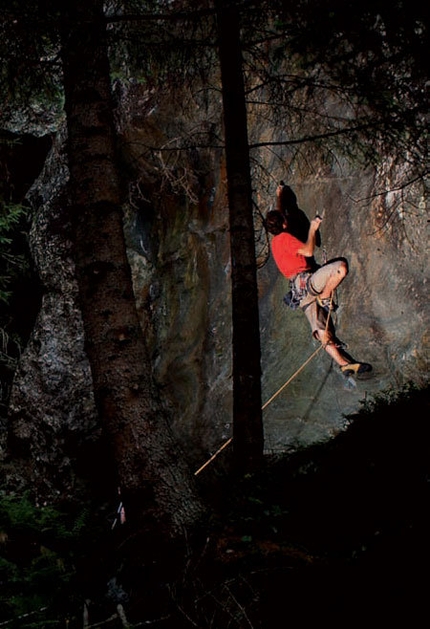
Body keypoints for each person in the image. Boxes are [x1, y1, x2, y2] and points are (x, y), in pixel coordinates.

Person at [265, 184, 372, 377]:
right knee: (341, 268)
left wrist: (279, 196)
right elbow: (308, 251)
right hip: (309, 282)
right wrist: (313, 229)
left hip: (299, 291)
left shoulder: (275, 240)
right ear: (283, 224)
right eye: (284, 220)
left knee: (320, 329)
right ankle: (324, 296)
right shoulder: (285, 238)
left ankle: (344, 364)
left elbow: (279, 214)